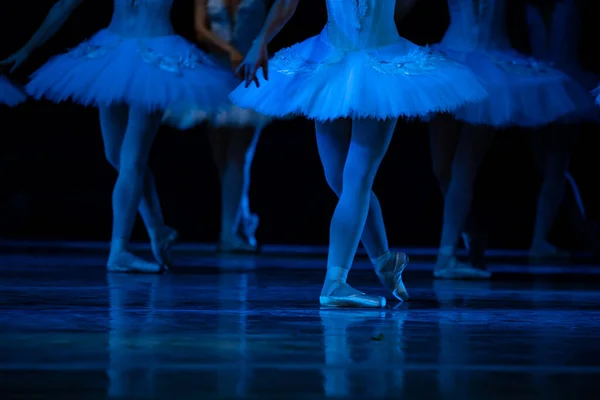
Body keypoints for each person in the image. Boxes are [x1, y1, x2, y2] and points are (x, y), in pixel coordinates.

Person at [231, 0, 488, 307]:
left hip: (379, 62)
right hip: (332, 60)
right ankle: (383, 261)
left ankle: (335, 282)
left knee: (356, 178)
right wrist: (260, 40)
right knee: (339, 178)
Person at [0, 0, 237, 273]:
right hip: (113, 50)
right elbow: (64, 5)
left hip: (157, 55)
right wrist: (28, 48)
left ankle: (119, 249)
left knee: (132, 157)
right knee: (116, 155)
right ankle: (157, 229)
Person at [429, 0, 591, 279]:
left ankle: (446, 256)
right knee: (440, 166)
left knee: (464, 165)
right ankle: (468, 231)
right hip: (451, 59)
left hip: (494, 67)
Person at [163, 0, 271, 253]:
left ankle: (228, 234)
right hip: (216, 73)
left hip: (250, 72)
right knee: (221, 157)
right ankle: (242, 220)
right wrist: (230, 51)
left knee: (238, 156)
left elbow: (271, 23)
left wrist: (250, 50)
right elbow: (200, 30)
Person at [526, 0, 598, 259]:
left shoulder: (571, 5)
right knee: (544, 167)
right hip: (536, 85)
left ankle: (540, 238)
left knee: (556, 166)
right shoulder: (528, 7)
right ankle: (568, 228)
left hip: (567, 86)